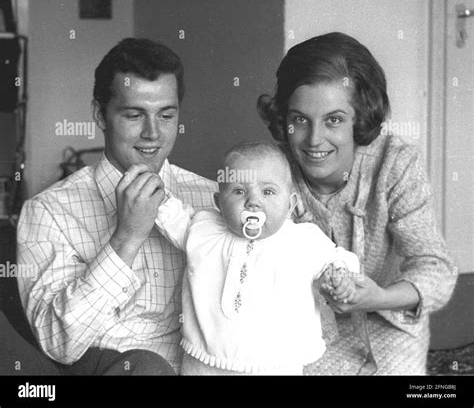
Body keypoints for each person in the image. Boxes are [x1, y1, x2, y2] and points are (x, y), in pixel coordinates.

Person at [0, 38, 216, 375]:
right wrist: (125, 240)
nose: (152, 133)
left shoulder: (212, 200)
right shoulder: (48, 212)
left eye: (166, 115)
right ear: (100, 114)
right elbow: (61, 344)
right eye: (134, 115)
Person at [257, 32, 457, 375]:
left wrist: (378, 297)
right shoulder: (269, 169)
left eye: (333, 119)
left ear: (361, 118)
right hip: (300, 327)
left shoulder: (396, 163)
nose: (314, 140)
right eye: (300, 119)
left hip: (387, 321)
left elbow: (435, 269)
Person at [154, 141, 360, 375]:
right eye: (239, 191)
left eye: (268, 191)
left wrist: (339, 274)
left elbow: (336, 258)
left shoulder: (302, 240)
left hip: (274, 364)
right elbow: (174, 218)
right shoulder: (203, 229)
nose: (253, 201)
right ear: (219, 203)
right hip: (204, 361)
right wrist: (157, 198)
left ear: (290, 204)